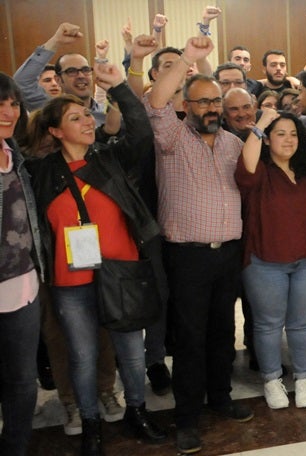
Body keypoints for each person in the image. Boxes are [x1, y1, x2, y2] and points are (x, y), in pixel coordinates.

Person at [26, 63, 166, 454]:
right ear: (55, 131)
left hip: (121, 272)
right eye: (76, 118)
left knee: (131, 355)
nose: (88, 121)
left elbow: (140, 131)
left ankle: (137, 412)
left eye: (87, 113)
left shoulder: (110, 158)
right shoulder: (39, 172)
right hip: (71, 281)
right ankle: (91, 423)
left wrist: (120, 87)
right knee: (84, 357)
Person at [146, 36, 253, 455]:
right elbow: (156, 101)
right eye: (202, 102)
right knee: (189, 338)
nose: (210, 108)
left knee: (224, 332)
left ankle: (221, 398)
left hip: (228, 254)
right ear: (186, 106)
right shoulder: (171, 140)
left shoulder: (234, 144)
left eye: (215, 103)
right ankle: (187, 418)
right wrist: (188, 58)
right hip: (187, 257)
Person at [236, 109, 306, 409]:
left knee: (302, 324)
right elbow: (246, 166)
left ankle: (302, 378)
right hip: (265, 261)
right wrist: (260, 125)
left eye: (293, 134)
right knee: (268, 325)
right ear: (267, 139)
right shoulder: (259, 170)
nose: (288, 140)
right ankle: (272, 379)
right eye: (280, 133)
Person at [0, 72, 43, 456]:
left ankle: (14, 448)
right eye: (0, 103)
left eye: (13, 103)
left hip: (23, 286)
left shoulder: (17, 155)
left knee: (22, 382)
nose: (9, 111)